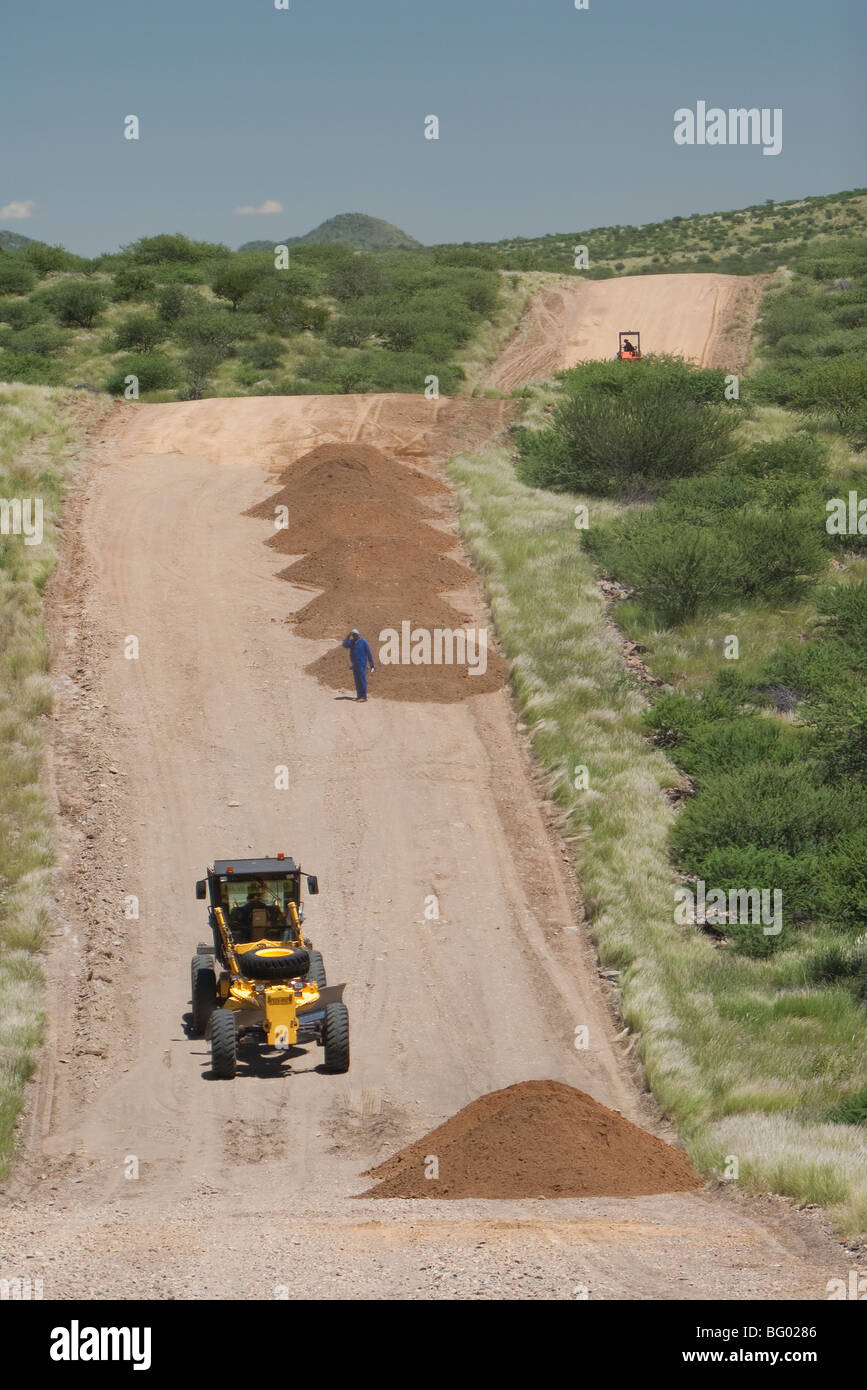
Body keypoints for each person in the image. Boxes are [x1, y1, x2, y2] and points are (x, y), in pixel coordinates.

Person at [342, 628, 375, 702]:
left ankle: (364, 697)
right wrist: (348, 636)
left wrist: (371, 664)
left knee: (362, 680)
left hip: (362, 664)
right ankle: (359, 695)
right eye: (353, 635)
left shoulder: (363, 642)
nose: (354, 636)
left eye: (355, 634)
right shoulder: (352, 642)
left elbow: (369, 653)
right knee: (357, 681)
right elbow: (344, 645)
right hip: (355, 665)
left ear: (358, 634)